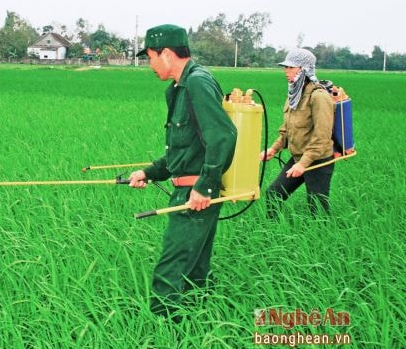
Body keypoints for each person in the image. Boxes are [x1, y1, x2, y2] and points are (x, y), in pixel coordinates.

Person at [128, 24, 237, 319]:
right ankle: (195, 328)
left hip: (195, 195)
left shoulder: (198, 83)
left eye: (150, 57)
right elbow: (185, 149)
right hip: (190, 189)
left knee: (170, 271)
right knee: (195, 271)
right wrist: (149, 172)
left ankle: (161, 335)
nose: (149, 64)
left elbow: (222, 136)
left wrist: (205, 185)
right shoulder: (179, 88)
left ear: (165, 54)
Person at [261, 48, 335, 218]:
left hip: (318, 160)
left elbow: (322, 137)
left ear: (304, 69)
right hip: (298, 158)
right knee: (274, 194)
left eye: (291, 67)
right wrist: (274, 149)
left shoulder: (319, 97)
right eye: (285, 67)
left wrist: (303, 164)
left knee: (318, 210)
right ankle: (271, 233)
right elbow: (288, 129)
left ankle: (322, 240)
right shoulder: (294, 94)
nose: (286, 71)